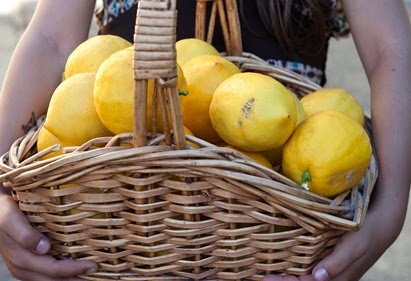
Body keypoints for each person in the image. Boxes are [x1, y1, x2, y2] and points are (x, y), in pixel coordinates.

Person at [0, 0, 410, 280]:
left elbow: (389, 50)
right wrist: (2, 190)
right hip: (124, 213)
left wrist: (388, 216)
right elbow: (50, 39)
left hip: (280, 220)